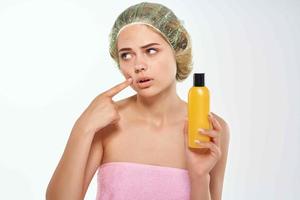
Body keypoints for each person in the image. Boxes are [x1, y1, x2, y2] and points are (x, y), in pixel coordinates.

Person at [46, 2, 230, 200]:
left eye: (151, 51)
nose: (138, 65)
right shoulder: (106, 124)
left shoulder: (209, 129)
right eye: (126, 55)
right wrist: (83, 127)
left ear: (177, 49)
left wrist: (199, 177)